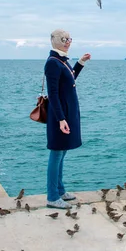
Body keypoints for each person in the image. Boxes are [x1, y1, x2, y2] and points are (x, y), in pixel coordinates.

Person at [45, 29, 91, 209]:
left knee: (62, 152)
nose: (67, 42)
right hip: (60, 115)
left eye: (69, 39)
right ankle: (52, 196)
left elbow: (70, 78)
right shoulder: (52, 63)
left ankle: (60, 190)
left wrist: (80, 63)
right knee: (56, 153)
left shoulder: (62, 61)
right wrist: (61, 119)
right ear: (55, 40)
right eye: (63, 39)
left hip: (67, 114)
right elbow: (53, 94)